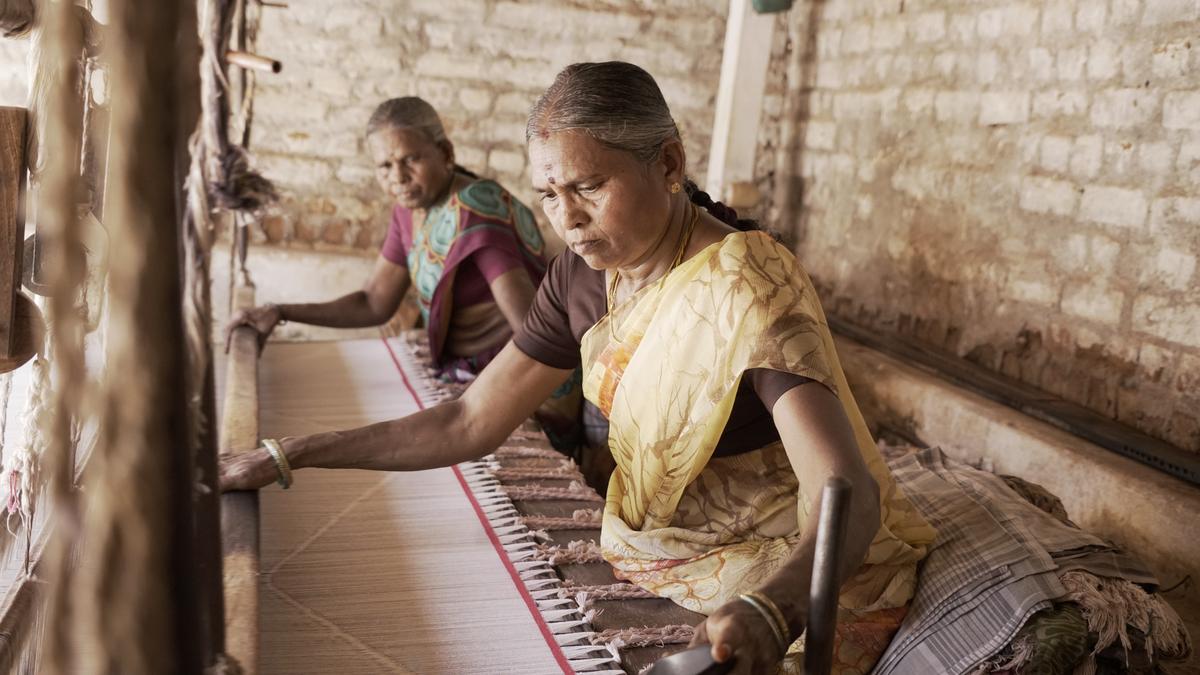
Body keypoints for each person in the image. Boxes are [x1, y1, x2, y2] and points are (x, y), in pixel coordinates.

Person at [221, 63, 937, 674]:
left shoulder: (743, 289)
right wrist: (290, 454)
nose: (566, 217)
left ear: (668, 164)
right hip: (659, 546)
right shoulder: (580, 277)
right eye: (547, 193)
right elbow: (471, 419)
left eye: (589, 187)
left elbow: (845, 492)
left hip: (779, 551)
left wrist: (769, 607)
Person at [226, 96, 547, 383]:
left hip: (510, 376)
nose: (398, 177)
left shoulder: (475, 209)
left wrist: (484, 402)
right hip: (465, 370)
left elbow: (532, 331)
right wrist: (279, 311)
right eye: (385, 165)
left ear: (445, 153)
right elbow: (374, 302)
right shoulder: (409, 211)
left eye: (411, 159)